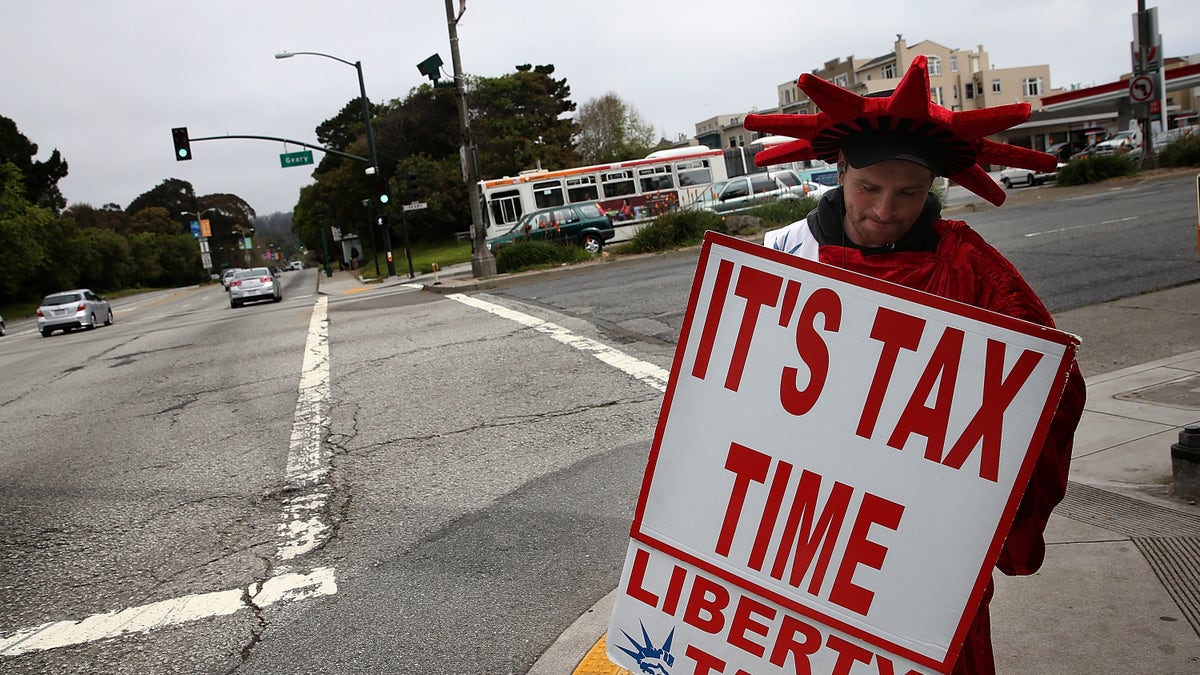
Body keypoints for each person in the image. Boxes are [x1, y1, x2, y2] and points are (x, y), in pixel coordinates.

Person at [744, 56, 1086, 675]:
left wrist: (1000, 508)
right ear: (840, 169)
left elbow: (1047, 391)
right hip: (807, 530)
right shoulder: (779, 260)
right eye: (868, 189)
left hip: (925, 538)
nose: (884, 210)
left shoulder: (970, 267)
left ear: (932, 188)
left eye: (907, 193)